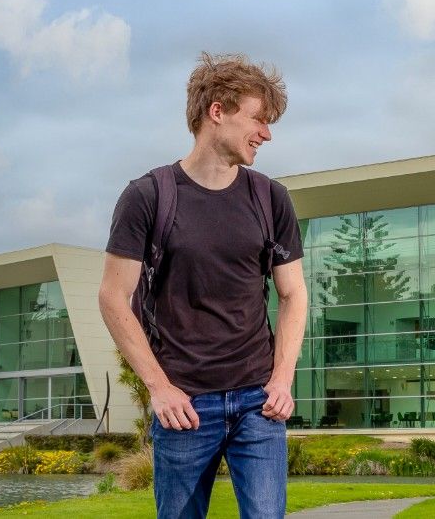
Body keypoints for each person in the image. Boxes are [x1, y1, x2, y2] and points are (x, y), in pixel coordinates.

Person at [98, 52, 307, 519]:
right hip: (185, 406)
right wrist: (158, 387)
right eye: (258, 119)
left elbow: (293, 294)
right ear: (217, 111)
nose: (267, 134)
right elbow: (113, 298)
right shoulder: (148, 197)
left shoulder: (270, 197)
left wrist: (283, 378)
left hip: (259, 402)